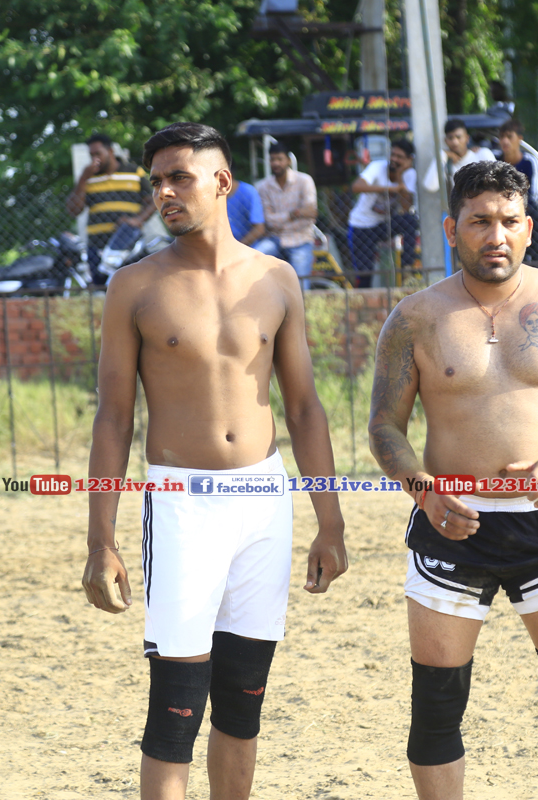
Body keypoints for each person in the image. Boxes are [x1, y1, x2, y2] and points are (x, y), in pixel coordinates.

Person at [81, 122, 348, 800]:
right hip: (182, 504)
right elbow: (113, 417)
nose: (165, 193)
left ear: (223, 182)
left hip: (264, 500)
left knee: (242, 699)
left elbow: (305, 409)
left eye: (180, 177)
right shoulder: (135, 285)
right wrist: (100, 539)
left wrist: (331, 522)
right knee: (175, 706)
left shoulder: (277, 278)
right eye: (157, 182)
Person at [368, 160, 538, 799]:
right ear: (451, 229)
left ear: (529, 228)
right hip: (449, 526)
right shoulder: (415, 317)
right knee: (436, 710)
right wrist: (423, 490)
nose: (496, 236)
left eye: (510, 222)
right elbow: (384, 426)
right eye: (480, 222)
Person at [65, 132, 155, 284]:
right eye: (91, 155)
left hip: (128, 246)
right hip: (97, 246)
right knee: (103, 290)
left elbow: (152, 200)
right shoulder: (88, 178)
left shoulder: (133, 171)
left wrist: (138, 220)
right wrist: (83, 179)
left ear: (110, 151)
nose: (95, 159)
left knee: (136, 286)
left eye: (98, 154)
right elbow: (73, 210)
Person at [346, 139, 418, 288]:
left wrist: (399, 176)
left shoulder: (410, 174)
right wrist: (389, 189)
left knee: (410, 220)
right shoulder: (377, 166)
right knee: (365, 273)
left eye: (399, 157)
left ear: (409, 160)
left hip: (383, 225)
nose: (394, 159)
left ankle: (407, 266)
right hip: (361, 226)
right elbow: (357, 187)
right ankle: (363, 298)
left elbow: (406, 207)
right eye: (393, 154)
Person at [254, 143, 318, 289]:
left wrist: (281, 219)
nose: (276, 163)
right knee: (253, 259)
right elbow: (268, 220)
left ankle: (301, 304)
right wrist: (295, 213)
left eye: (279, 159)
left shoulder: (304, 180)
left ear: (288, 160)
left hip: (301, 238)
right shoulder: (263, 186)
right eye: (272, 159)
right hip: (275, 238)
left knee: (300, 284)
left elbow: (311, 212)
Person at [497, 118, 538, 258]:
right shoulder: (495, 161)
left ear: (519, 139)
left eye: (509, 136)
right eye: (502, 137)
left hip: (527, 208)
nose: (505, 141)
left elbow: (536, 194)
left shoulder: (530, 161)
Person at [422, 118, 495, 194]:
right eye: (450, 138)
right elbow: (430, 186)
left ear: (467, 138)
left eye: (458, 137)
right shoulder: (446, 163)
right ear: (445, 141)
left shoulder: (481, 154)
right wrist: (442, 154)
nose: (455, 142)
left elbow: (497, 180)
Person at [226, 178, 266, 247]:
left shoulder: (248, 191)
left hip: (249, 247)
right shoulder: (212, 196)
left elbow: (259, 229)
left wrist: (236, 248)